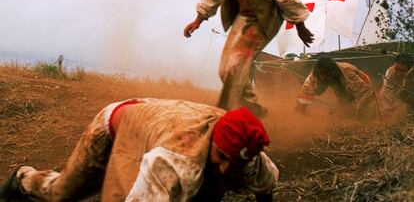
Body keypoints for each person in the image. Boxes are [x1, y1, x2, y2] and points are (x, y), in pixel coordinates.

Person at [0, 98, 279, 202]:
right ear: (212, 142)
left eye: (236, 164)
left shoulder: (252, 159)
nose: (225, 169)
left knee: (206, 187)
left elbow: (266, 186)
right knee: (62, 193)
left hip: (152, 129)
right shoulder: (174, 159)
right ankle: (23, 178)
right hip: (115, 125)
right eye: (222, 158)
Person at [184, 0, 314, 118]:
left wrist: (300, 27)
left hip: (265, 18)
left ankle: (229, 114)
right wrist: (198, 20)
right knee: (224, 71)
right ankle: (254, 108)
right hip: (243, 18)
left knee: (235, 67)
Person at [295, 56, 376, 117]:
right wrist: (300, 109)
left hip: (364, 88)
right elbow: (306, 92)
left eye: (326, 74)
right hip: (347, 92)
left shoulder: (348, 72)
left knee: (364, 113)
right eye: (322, 75)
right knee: (338, 114)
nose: (324, 77)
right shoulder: (316, 75)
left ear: (333, 70)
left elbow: (368, 94)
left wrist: (357, 113)